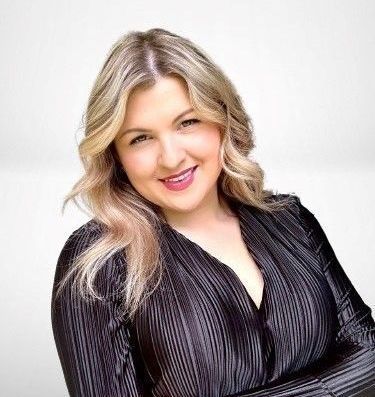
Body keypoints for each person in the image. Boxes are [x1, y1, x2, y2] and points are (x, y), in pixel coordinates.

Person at [50, 28, 375, 397]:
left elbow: (369, 355)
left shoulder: (290, 220)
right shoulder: (98, 263)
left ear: (221, 119)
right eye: (140, 138)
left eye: (187, 122)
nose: (171, 157)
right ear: (116, 156)